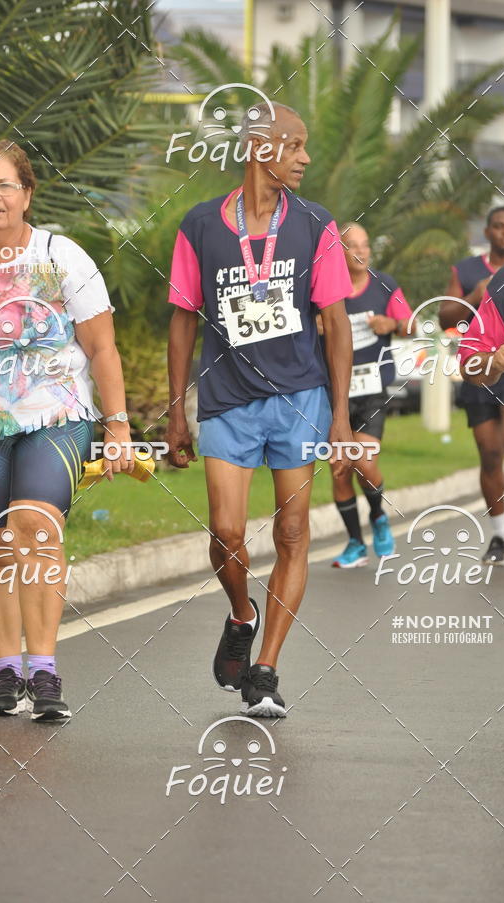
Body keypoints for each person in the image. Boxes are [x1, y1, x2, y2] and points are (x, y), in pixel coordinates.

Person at [0, 139, 133, 720]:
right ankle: (4, 670)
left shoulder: (62, 256)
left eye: (5, 185)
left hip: (56, 417)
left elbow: (102, 348)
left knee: (34, 529)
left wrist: (117, 426)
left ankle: (42, 670)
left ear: (27, 192)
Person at [165, 102, 353, 718]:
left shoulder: (315, 224)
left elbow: (334, 323)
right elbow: (182, 320)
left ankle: (265, 670)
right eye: (294, 145)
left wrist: (341, 414)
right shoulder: (199, 225)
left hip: (300, 399)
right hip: (227, 399)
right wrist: (175, 411)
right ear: (260, 148)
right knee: (225, 533)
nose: (304, 157)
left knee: (293, 532)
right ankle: (241, 615)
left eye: (304, 147)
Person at [318, 223, 411, 568]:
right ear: (339, 252)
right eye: (352, 245)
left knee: (364, 461)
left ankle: (378, 516)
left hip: (372, 389)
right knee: (340, 469)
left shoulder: (386, 284)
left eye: (366, 245)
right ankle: (356, 543)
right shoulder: (324, 289)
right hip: (332, 392)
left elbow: (412, 323)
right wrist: (316, 325)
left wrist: (392, 324)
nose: (361, 251)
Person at [440, 207, 504, 565]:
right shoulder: (468, 270)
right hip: (481, 366)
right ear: (488, 231)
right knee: (489, 453)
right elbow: (444, 316)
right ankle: (498, 533)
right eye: (498, 227)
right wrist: (473, 297)